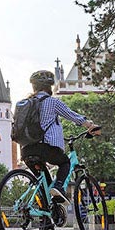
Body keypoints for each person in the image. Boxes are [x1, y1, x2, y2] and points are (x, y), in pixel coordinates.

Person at [20, 70, 100, 204]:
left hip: (26, 150)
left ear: (34, 87)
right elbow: (72, 115)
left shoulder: (25, 103)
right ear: (49, 87)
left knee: (45, 187)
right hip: (46, 148)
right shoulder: (52, 102)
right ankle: (59, 187)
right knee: (65, 163)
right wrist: (89, 125)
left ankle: (46, 221)